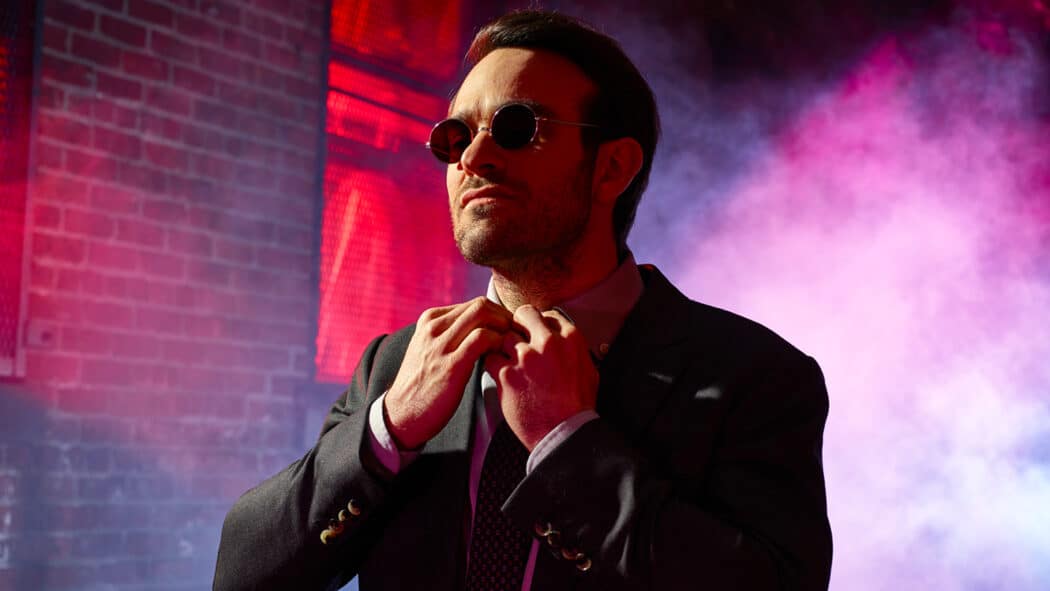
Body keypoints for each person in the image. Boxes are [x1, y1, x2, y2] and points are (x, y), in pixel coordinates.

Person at [213, 9, 832, 591]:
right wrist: (388, 428)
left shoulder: (756, 376)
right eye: (455, 135)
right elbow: (242, 574)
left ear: (612, 168)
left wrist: (568, 443)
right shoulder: (395, 366)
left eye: (517, 128)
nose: (473, 157)